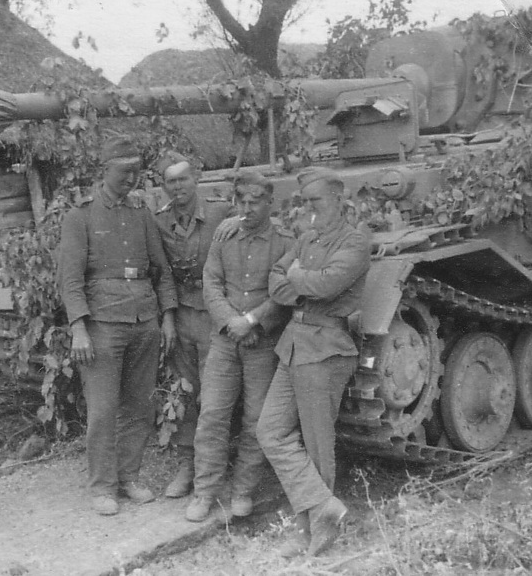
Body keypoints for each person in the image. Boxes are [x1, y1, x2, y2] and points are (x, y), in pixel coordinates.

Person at [58, 135, 177, 516]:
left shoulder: (141, 214)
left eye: (136, 172)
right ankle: (102, 486)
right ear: (104, 170)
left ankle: (129, 478)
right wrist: (79, 327)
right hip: (102, 324)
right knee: (103, 410)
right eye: (124, 172)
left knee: (139, 406)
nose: (131, 179)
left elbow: (161, 270)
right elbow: (70, 279)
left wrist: (168, 317)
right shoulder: (80, 216)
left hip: (144, 321)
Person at [256, 167, 371, 556]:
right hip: (294, 344)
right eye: (304, 202)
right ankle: (323, 507)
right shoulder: (306, 238)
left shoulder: (355, 242)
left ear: (338, 200)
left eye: (316, 201)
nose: (309, 209)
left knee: (318, 445)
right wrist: (302, 282)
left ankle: (314, 530)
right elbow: (276, 278)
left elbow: (327, 285)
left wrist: (298, 278)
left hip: (325, 348)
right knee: (270, 431)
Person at [185, 171, 294, 522]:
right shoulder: (225, 236)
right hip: (224, 341)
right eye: (241, 201)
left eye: (255, 202)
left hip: (262, 342)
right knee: (212, 415)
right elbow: (211, 283)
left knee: (255, 419)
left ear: (270, 202)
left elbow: (286, 293)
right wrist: (232, 322)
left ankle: (243, 490)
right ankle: (205, 491)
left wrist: (251, 321)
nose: (247, 208)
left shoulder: (285, 242)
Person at [155, 152, 233, 498]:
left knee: (214, 397)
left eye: (183, 179)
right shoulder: (160, 221)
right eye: (170, 182)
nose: (178, 187)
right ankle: (188, 464)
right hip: (183, 315)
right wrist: (168, 317)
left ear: (196, 179)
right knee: (185, 392)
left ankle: (213, 468)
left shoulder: (221, 213)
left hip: (215, 314)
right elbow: (162, 273)